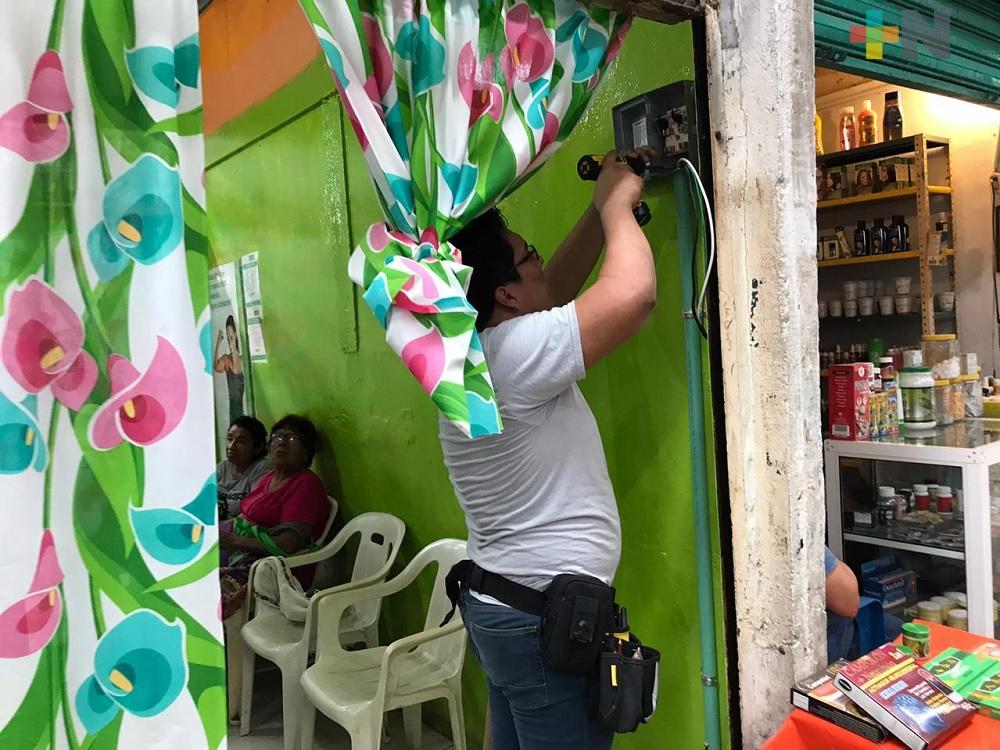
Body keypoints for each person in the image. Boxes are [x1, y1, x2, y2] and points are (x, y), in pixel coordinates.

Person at [440, 150, 655, 749]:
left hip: (505, 606)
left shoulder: (473, 353)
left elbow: (552, 287)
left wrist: (597, 211)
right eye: (528, 255)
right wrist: (618, 206)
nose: (540, 261)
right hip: (540, 622)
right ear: (505, 295)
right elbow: (634, 294)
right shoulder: (513, 356)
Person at [219, 414, 330, 619]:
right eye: (278, 436)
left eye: (292, 438)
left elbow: (288, 544)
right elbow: (246, 515)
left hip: (276, 570)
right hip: (246, 557)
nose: (282, 443)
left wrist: (234, 540)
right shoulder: (270, 477)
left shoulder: (305, 485)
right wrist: (216, 530)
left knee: (205, 586)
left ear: (306, 453)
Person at [825, 546, 902, 662]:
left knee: (894, 624)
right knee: (903, 632)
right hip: (836, 643)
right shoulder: (805, 543)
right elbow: (849, 605)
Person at [216, 416, 270, 521]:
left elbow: (253, 512)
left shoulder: (263, 469)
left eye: (241, 441)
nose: (231, 446)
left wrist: (222, 527)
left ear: (258, 447)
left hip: (238, 532)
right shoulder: (223, 467)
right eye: (229, 439)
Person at [214, 314, 245, 423]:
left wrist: (233, 343)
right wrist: (218, 343)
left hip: (237, 398)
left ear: (235, 336)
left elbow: (235, 357)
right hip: (232, 399)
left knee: (237, 421)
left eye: (231, 337)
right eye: (228, 338)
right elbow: (217, 368)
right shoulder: (227, 358)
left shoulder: (238, 358)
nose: (230, 340)